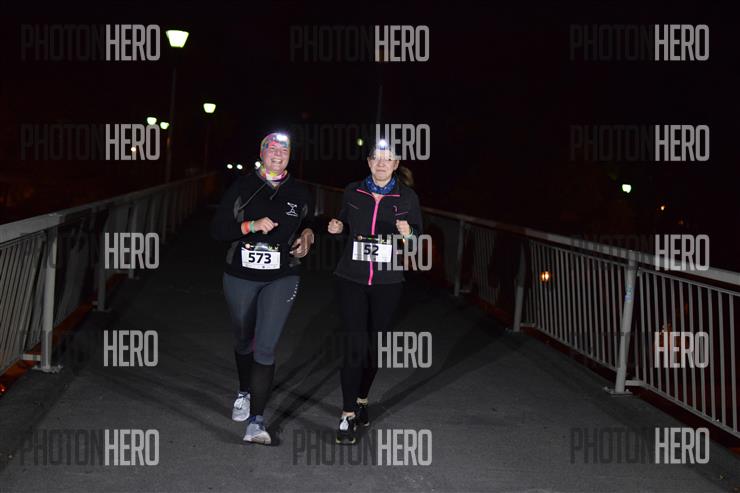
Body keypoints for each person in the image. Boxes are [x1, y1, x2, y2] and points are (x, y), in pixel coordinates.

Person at [210, 132, 315, 445]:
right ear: (261, 153)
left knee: (266, 347)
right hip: (241, 274)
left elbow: (312, 222)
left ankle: (256, 422)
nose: (278, 154)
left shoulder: (300, 191)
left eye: (284, 149)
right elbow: (218, 230)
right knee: (244, 339)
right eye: (272, 148)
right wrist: (251, 226)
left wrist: (308, 235)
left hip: (282, 275)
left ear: (290, 155)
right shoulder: (243, 186)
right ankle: (244, 390)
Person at [327, 139, 422, 444]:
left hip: (387, 284)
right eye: (376, 158)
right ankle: (347, 414)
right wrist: (337, 228)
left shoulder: (407, 197)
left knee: (373, 348)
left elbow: (417, 240)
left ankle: (362, 399)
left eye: (388, 158)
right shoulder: (353, 191)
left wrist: (410, 233)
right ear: (369, 162)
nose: (381, 163)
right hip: (351, 279)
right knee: (354, 345)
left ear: (396, 164)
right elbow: (343, 222)